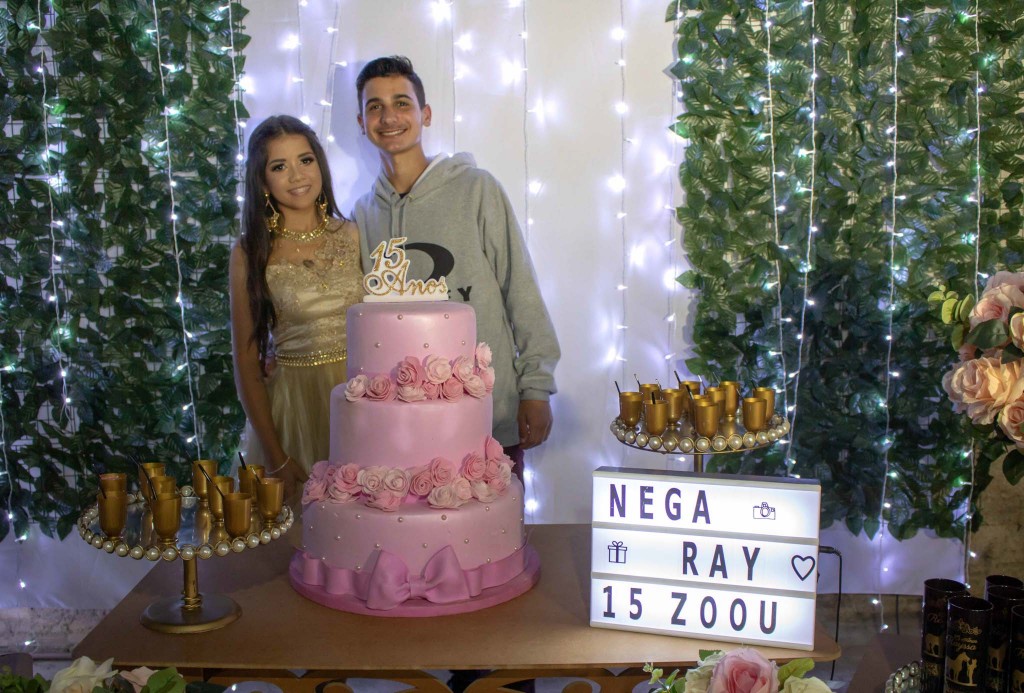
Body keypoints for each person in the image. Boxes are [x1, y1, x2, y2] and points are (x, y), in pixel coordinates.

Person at [352, 56, 560, 475]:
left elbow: (519, 288)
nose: (389, 117)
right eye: (375, 107)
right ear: (361, 122)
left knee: (495, 516)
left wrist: (536, 388)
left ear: (425, 114)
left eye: (402, 103)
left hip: (487, 414)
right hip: (402, 425)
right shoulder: (364, 214)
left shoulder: (476, 189)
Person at [230, 115, 363, 501]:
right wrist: (276, 457)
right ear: (262, 181)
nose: (297, 175)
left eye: (305, 160)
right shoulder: (251, 252)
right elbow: (246, 362)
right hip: (295, 409)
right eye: (279, 166)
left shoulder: (353, 234)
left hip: (360, 399)